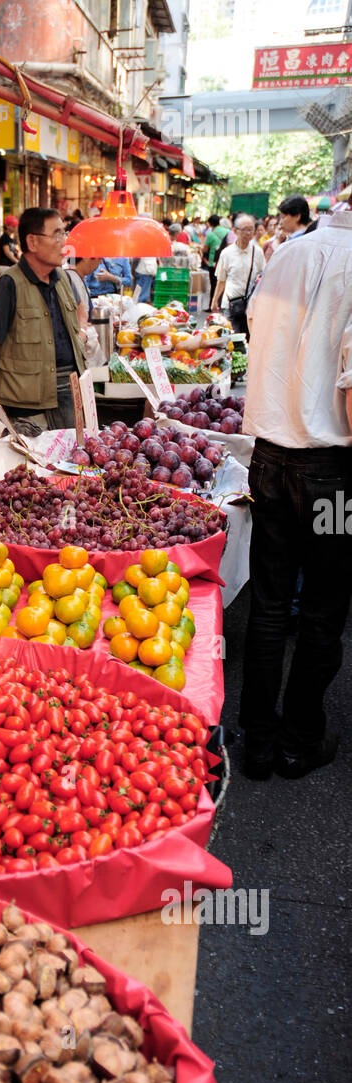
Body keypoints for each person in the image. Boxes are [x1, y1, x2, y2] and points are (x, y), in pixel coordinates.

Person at [238, 198, 352, 779]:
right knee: (324, 609)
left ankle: (256, 742)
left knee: (271, 603)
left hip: (270, 462)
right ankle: (297, 740)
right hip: (332, 475)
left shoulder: (287, 253)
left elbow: (257, 328)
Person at [0, 207, 85, 435]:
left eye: (64, 233)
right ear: (32, 242)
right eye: (57, 234)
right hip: (27, 403)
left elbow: (80, 312)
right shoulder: (9, 285)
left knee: (73, 463)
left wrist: (80, 334)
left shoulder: (62, 278)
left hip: (70, 391)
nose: (64, 241)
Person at [211, 215, 264, 334]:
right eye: (244, 229)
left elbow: (262, 277)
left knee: (247, 341)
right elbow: (221, 280)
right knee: (232, 340)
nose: (248, 233)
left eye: (251, 229)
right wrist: (214, 301)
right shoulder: (227, 253)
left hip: (250, 306)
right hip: (230, 305)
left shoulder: (258, 252)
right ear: (235, 231)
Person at [264, 195, 312, 264]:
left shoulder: (299, 242)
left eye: (283, 217)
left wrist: (276, 245)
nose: (280, 222)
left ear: (297, 216)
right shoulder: (308, 236)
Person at [201, 213, 227, 301]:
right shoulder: (227, 231)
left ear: (210, 223)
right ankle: (222, 303)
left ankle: (213, 302)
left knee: (214, 284)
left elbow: (205, 249)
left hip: (213, 263)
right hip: (226, 261)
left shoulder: (210, 235)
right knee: (224, 283)